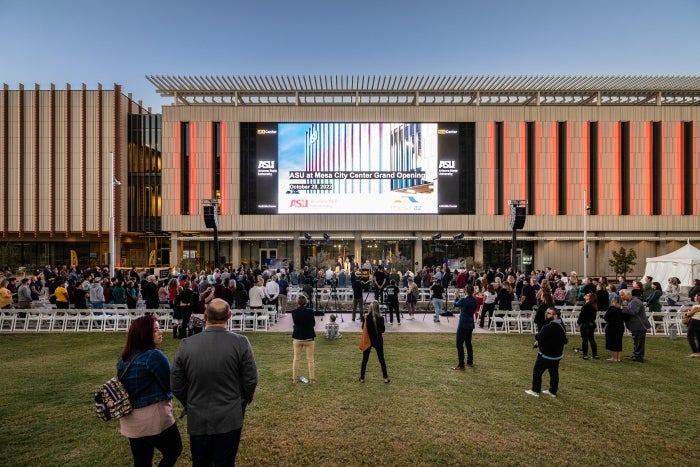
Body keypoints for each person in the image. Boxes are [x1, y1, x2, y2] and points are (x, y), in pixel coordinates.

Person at [171, 298, 258, 466]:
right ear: (230, 316)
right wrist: (242, 400)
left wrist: (191, 401)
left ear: (205, 317)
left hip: (204, 413)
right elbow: (251, 379)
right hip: (228, 413)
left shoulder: (187, 344)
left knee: (201, 461)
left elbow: (176, 383)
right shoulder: (240, 342)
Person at [117, 314, 182, 467]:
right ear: (143, 334)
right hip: (152, 416)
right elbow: (170, 384)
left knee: (141, 460)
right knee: (173, 450)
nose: (160, 332)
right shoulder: (154, 356)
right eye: (155, 330)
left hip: (130, 418)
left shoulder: (123, 357)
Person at [525, 307, 568, 398]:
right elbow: (564, 340)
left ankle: (535, 390)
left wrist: (540, 339)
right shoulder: (561, 325)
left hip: (546, 355)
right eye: (546, 312)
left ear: (555, 315)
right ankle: (552, 391)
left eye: (549, 313)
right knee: (554, 373)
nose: (546, 314)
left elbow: (538, 336)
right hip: (557, 355)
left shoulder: (549, 327)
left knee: (537, 371)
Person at [359, 301, 390, 384]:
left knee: (365, 359)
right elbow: (382, 330)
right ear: (378, 308)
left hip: (368, 339)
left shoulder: (366, 318)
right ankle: (385, 377)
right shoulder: (380, 318)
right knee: (381, 359)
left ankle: (362, 377)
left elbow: (363, 328)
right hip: (378, 340)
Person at [451, 285, 478, 370]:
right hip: (470, 323)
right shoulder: (474, 300)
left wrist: (456, 297)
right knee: (468, 343)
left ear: (466, 291)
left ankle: (461, 365)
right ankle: (470, 362)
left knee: (459, 344)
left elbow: (455, 304)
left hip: (463, 324)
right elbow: (473, 310)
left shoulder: (463, 300)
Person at [291, 295, 316, 384]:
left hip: (298, 337)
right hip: (309, 337)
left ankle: (294, 379)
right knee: (310, 359)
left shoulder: (294, 312)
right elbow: (313, 324)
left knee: (296, 358)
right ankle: (312, 379)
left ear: (297, 302)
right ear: (306, 302)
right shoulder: (310, 311)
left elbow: (296, 323)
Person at [621, 289, 650, 362]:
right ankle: (636, 355)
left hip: (639, 325)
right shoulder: (631, 301)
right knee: (636, 340)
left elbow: (633, 312)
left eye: (622, 295)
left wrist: (621, 308)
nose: (621, 297)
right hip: (636, 325)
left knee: (639, 341)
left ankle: (638, 356)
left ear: (628, 294)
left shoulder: (634, 301)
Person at [577, 293, 599, 360]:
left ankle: (585, 355)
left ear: (589, 298)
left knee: (585, 340)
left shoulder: (586, 306)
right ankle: (595, 354)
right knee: (592, 340)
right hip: (591, 324)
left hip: (585, 324)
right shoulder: (594, 306)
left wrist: (579, 322)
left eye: (587, 295)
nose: (585, 295)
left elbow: (581, 316)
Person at [603, 295, 625, 362]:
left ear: (614, 301)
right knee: (618, 342)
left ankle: (614, 357)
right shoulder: (623, 309)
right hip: (620, 326)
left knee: (612, 342)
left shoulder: (611, 308)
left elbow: (605, 317)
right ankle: (618, 358)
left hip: (611, 326)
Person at [683, 293, 700, 358]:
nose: (695, 297)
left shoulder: (696, 306)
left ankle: (695, 352)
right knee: (699, 337)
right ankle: (699, 351)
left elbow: (689, 314)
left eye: (696, 296)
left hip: (695, 321)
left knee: (690, 336)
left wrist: (688, 313)